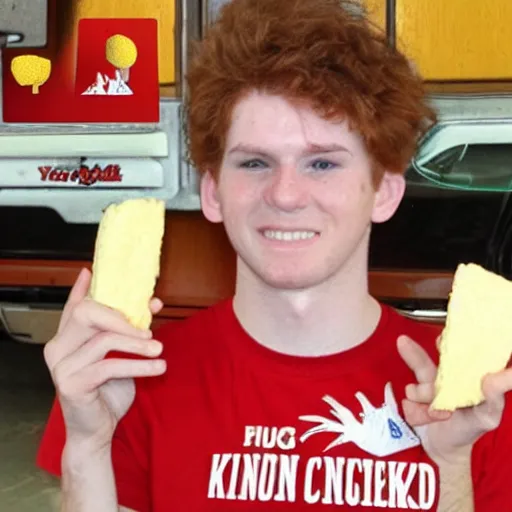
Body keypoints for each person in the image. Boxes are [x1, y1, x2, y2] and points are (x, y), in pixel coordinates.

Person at [36, 0, 512, 510]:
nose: (285, 194)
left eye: (323, 163)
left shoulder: (477, 397)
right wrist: (88, 446)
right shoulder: (127, 381)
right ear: (213, 193)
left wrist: (451, 465)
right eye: (256, 162)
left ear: (384, 192)